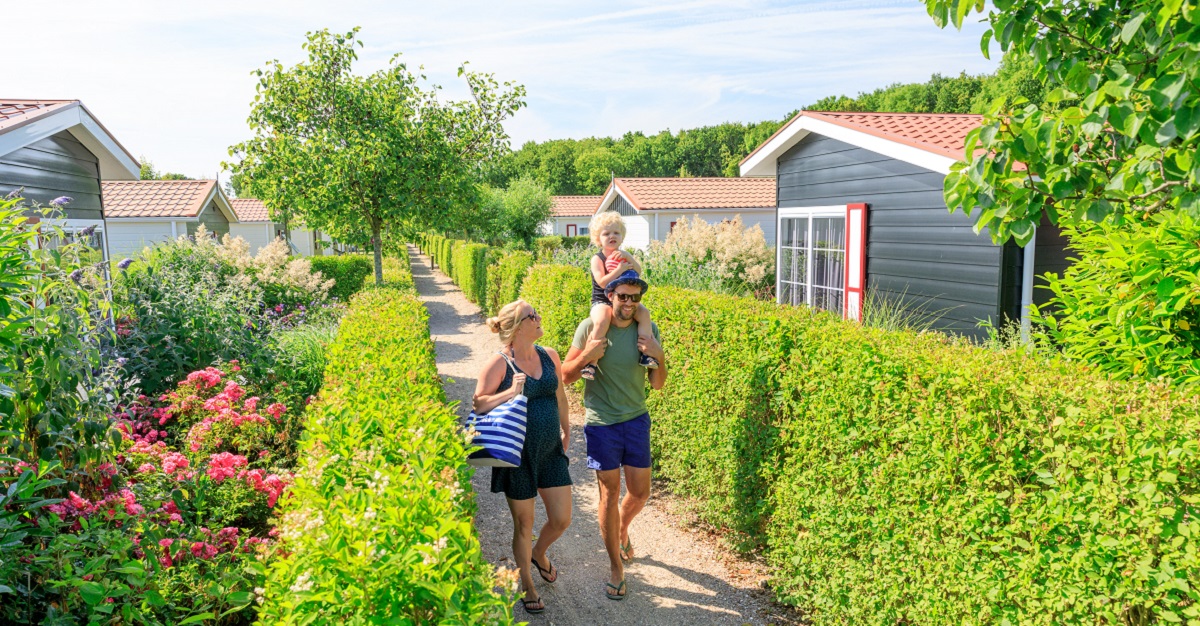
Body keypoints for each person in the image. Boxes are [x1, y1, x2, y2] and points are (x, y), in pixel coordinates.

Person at [562, 271, 667, 602]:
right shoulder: (589, 328)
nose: (629, 304)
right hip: (601, 423)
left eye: (635, 298)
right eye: (623, 297)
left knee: (640, 492)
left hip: (636, 420)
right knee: (609, 493)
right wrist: (586, 358)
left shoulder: (646, 330)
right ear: (611, 296)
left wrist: (659, 355)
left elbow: (658, 383)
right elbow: (565, 376)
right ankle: (615, 569)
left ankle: (621, 528)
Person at [474, 300, 573, 615]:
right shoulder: (499, 364)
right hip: (516, 454)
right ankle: (527, 585)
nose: (540, 317)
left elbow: (560, 396)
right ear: (517, 328)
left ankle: (538, 553)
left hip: (549, 453)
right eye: (533, 315)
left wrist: (567, 429)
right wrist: (509, 392)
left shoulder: (550, 355)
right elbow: (479, 405)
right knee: (524, 523)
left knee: (561, 518)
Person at [580, 211, 659, 381]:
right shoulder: (597, 258)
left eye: (616, 232)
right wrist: (619, 270)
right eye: (606, 233)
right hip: (602, 301)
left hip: (624, 300)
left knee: (644, 313)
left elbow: (638, 271)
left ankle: (646, 353)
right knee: (602, 320)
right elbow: (601, 282)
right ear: (598, 239)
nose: (611, 236)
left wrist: (628, 258)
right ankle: (591, 363)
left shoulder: (623, 255)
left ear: (622, 236)